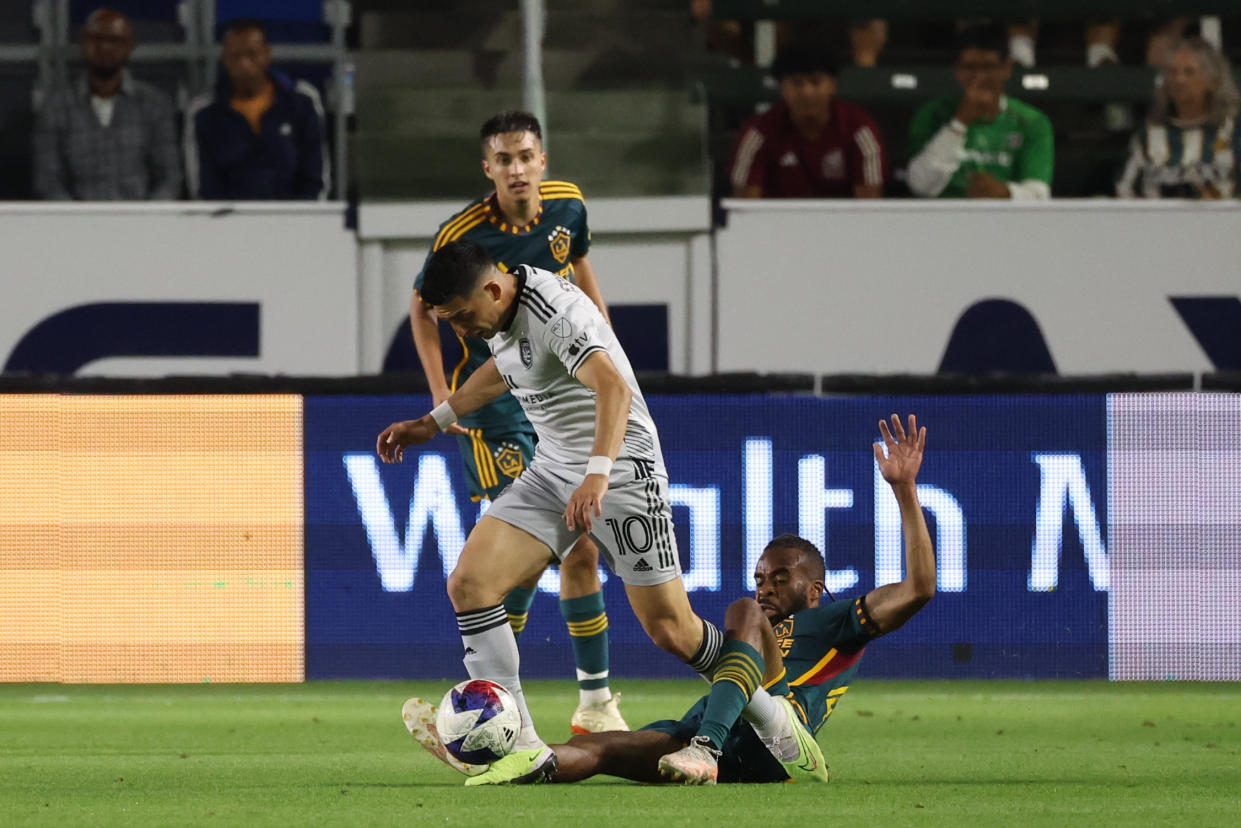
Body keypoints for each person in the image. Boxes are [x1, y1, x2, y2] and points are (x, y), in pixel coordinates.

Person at [404, 414, 934, 786]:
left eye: (780, 578)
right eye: (760, 576)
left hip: (779, 738)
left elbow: (919, 589)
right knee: (598, 748)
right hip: (711, 734)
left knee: (741, 617)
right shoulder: (762, 632)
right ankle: (494, 755)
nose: (765, 586)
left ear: (815, 591)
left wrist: (906, 493)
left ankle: (704, 751)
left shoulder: (838, 622)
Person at [377, 240, 726, 786]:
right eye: (449, 321)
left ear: (492, 290)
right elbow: (503, 369)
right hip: (553, 470)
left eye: (463, 316)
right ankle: (524, 747)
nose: (461, 330)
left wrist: (597, 473)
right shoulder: (503, 316)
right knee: (471, 584)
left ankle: (774, 711)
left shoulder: (555, 310)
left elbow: (612, 388)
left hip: (623, 469)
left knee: (672, 631)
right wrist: (435, 420)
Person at [410, 111, 622, 736]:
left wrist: (603, 343)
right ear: (488, 168)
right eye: (504, 159)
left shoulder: (569, 207)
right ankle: (496, 707)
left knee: (581, 546)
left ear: (542, 159)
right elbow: (424, 311)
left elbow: (580, 270)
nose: (517, 168)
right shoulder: (463, 234)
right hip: (495, 402)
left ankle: (595, 706)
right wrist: (438, 396)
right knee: (522, 558)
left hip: (558, 396)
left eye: (525, 155)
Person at [33, 8, 181, 200]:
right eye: (96, 39)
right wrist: (74, 222)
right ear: (82, 45)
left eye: (115, 40)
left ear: (130, 47)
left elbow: (170, 177)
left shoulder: (153, 103)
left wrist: (147, 221)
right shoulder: (55, 107)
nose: (105, 47)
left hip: (140, 222)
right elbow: (47, 180)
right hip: (76, 223)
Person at [184, 18, 328, 200]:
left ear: (267, 55)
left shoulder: (301, 100)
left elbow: (315, 177)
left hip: (295, 218)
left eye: (252, 55)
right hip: (228, 222)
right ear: (224, 60)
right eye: (235, 56)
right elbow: (203, 187)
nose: (244, 64)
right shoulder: (204, 111)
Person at [907, 23, 1053, 200]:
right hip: (945, 218)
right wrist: (960, 122)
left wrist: (1005, 192)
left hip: (1008, 219)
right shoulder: (931, 114)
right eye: (969, 67)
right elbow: (920, 186)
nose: (979, 76)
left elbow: (1039, 193)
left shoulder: (1032, 121)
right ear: (957, 70)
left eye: (988, 67)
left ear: (1006, 68)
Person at [729, 42, 886, 198]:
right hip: (778, 222)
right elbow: (746, 208)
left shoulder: (859, 130)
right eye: (797, 83)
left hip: (845, 222)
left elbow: (869, 208)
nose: (807, 92)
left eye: (815, 82)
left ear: (833, 85)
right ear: (781, 88)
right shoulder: (759, 132)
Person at [1116, 37, 1241, 199]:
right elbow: (1124, 190)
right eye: (1172, 72)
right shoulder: (1147, 136)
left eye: (1189, 72)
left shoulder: (1234, 132)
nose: (1179, 80)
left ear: (1213, 80)